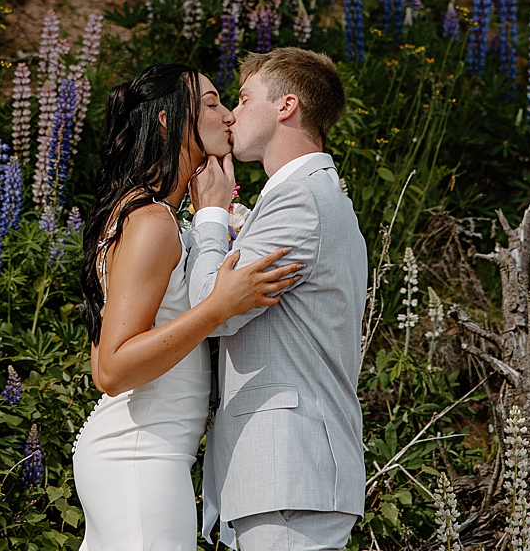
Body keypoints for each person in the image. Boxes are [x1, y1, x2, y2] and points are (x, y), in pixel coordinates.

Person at [73, 63, 302, 551]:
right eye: (215, 103)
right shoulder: (151, 221)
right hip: (140, 457)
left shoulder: (146, 213)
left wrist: (211, 216)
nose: (229, 117)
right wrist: (218, 307)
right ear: (166, 119)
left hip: (141, 452)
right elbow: (111, 369)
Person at [188, 48, 367, 551]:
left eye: (243, 99)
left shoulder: (300, 200)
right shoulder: (310, 194)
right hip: (290, 472)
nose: (231, 114)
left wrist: (210, 216)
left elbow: (212, 306)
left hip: (291, 467)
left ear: (286, 106)